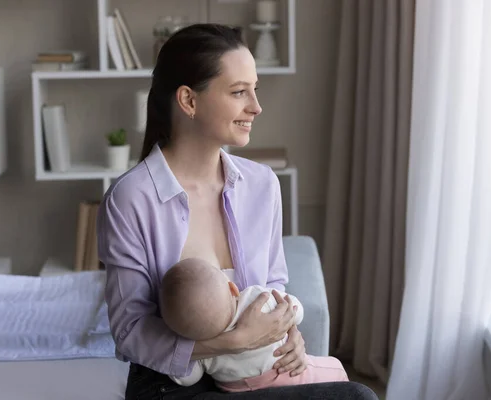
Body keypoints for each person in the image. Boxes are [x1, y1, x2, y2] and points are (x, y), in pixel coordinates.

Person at [97, 23, 379, 400]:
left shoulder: (262, 185)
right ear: (188, 101)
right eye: (238, 92)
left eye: (254, 90)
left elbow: (274, 286)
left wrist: (288, 334)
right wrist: (230, 342)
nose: (256, 107)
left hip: (256, 372)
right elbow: (130, 332)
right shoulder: (130, 198)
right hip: (172, 384)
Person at [160, 257, 349, 392]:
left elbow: (186, 378)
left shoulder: (204, 349)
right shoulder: (256, 299)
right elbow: (296, 310)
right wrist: (292, 320)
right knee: (337, 370)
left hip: (236, 390)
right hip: (286, 374)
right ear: (233, 288)